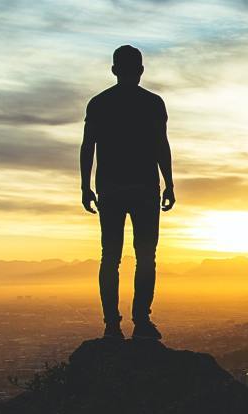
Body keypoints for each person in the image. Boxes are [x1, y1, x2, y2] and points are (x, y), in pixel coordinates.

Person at [79, 45, 175, 340]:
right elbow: (161, 145)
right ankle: (141, 321)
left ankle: (112, 325)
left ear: (114, 70)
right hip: (144, 188)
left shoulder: (100, 103)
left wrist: (85, 186)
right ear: (141, 70)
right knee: (145, 256)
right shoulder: (153, 103)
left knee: (111, 257)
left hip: (111, 189)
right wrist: (169, 184)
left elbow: (88, 147)